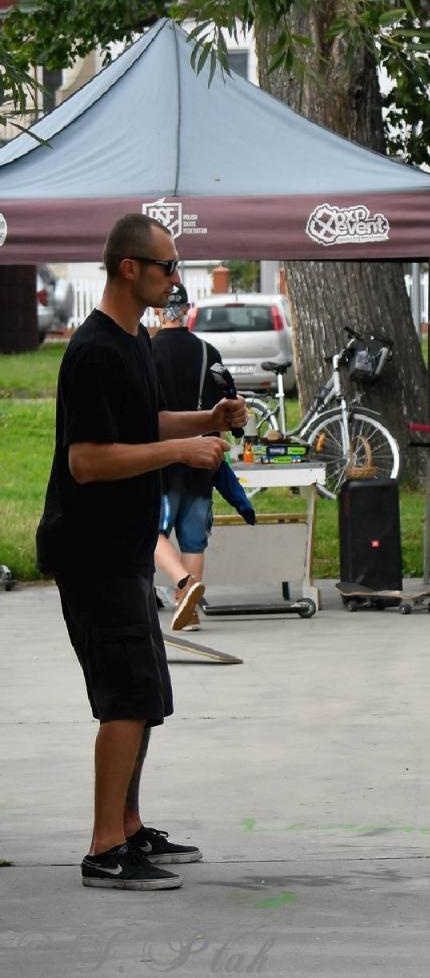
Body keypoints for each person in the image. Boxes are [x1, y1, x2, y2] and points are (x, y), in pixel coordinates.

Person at [35, 213, 247, 890]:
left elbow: (143, 425)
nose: (175, 277)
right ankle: (104, 849)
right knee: (124, 697)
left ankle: (128, 826)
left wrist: (205, 423)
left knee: (146, 693)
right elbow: (89, 460)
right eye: (167, 267)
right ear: (130, 268)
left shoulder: (136, 342)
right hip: (91, 550)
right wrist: (181, 451)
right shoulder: (94, 350)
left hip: (124, 550)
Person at [151, 282, 225, 632]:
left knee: (149, 529)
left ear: (157, 310)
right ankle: (189, 613)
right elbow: (226, 404)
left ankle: (184, 582)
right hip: (202, 457)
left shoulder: (146, 352)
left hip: (161, 457)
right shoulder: (210, 353)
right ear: (188, 310)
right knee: (194, 538)